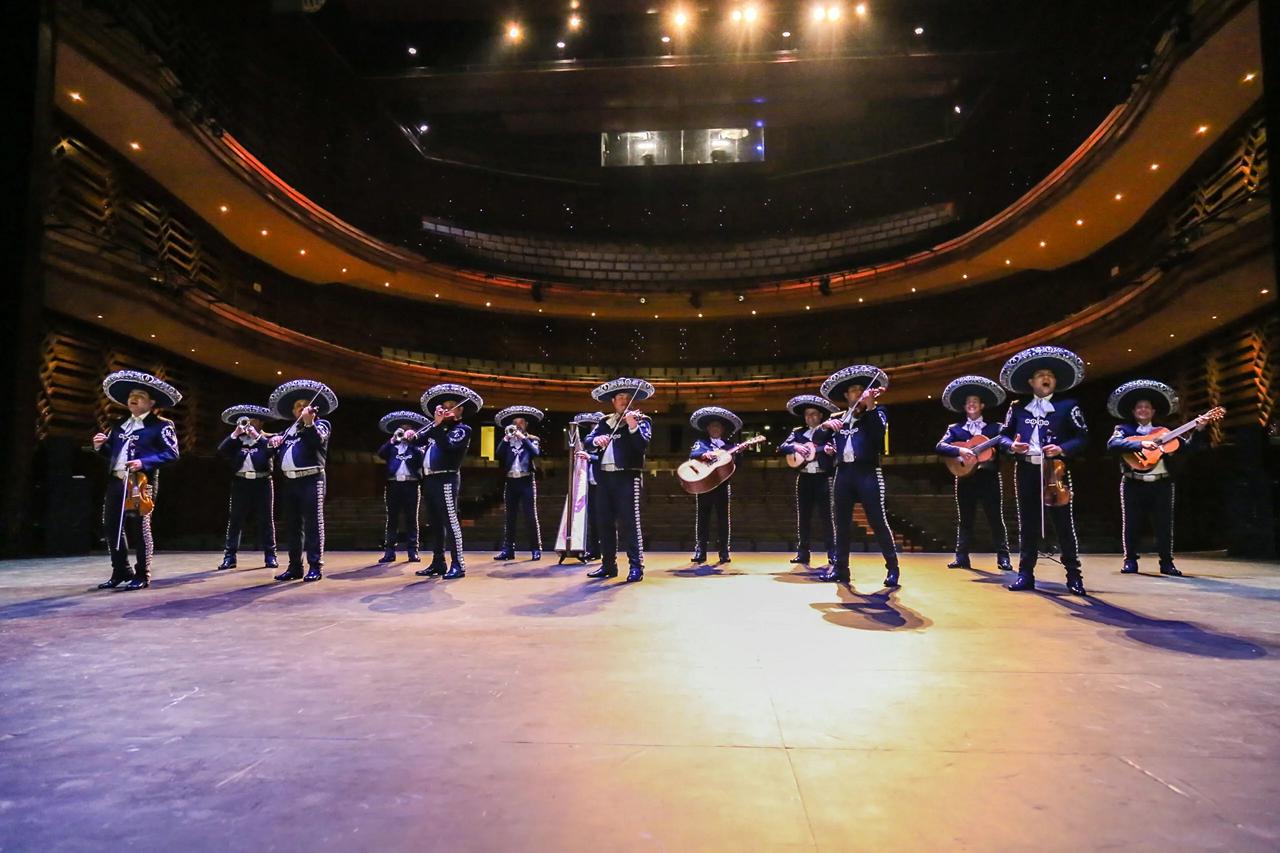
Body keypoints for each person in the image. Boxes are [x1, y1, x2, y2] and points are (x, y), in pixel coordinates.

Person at [997, 346, 1089, 595]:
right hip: (1026, 469)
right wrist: (1012, 446)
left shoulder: (1068, 405)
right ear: (1031, 381)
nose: (1045, 378)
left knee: (1063, 524)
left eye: (1050, 374)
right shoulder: (1017, 407)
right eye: (1040, 375)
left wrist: (1061, 448)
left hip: (1055, 469)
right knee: (1027, 524)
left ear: (1055, 381)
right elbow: (1002, 438)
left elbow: (1082, 438)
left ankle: (1074, 575)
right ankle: (1025, 574)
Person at [1106, 379, 1209, 577]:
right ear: (1134, 411)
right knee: (1132, 522)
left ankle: (1167, 563)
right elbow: (1113, 445)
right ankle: (1130, 561)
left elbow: (1188, 448)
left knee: (1164, 524)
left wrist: (1200, 429)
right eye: (1139, 407)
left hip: (1161, 483)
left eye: (1147, 407)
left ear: (1153, 411)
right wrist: (1142, 445)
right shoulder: (1124, 430)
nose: (1143, 410)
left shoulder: (1165, 432)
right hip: (1133, 482)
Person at [92, 371, 182, 590]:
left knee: (140, 527)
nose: (134, 398)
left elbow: (172, 453)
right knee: (112, 526)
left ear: (151, 403)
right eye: (132, 394)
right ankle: (120, 570)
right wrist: (100, 447)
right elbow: (113, 453)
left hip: (141, 482)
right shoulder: (119, 424)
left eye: (140, 395)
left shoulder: (161, 425)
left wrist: (144, 462)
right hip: (117, 481)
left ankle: (143, 573)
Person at [813, 364, 900, 587]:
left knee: (877, 520)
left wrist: (870, 407)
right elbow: (819, 440)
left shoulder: (877, 412)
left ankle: (892, 568)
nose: (858, 394)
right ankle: (841, 569)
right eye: (853, 391)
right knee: (841, 523)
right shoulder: (838, 417)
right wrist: (824, 426)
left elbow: (879, 437)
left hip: (867, 472)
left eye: (861, 390)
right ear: (846, 395)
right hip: (844, 473)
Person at [934, 376, 1013, 571]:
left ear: (982, 405)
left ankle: (1003, 558)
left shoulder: (996, 428)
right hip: (965, 479)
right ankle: (961, 557)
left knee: (995, 517)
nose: (971, 404)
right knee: (965, 519)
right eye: (968, 402)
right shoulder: (955, 429)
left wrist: (1007, 447)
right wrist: (960, 451)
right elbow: (940, 446)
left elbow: (1005, 444)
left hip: (989, 478)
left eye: (975, 402)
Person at [580, 378, 654, 582]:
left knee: (630, 523)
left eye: (627, 398)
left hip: (626, 477)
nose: (624, 401)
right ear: (613, 401)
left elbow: (641, 445)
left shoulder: (641, 420)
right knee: (604, 523)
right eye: (620, 397)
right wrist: (596, 440)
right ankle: (608, 565)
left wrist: (632, 426)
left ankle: (636, 566)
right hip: (604, 478)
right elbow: (588, 442)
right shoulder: (605, 422)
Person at [267, 379, 338, 583]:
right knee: (292, 525)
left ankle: (315, 566)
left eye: (304, 405)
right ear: (293, 412)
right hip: (290, 482)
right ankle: (295, 567)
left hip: (311, 479)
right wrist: (272, 443)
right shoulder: (287, 432)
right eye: (298, 406)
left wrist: (309, 423)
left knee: (313, 523)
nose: (301, 408)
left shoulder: (321, 425)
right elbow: (269, 451)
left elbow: (317, 441)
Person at [410, 383, 483, 579]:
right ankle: (438, 562)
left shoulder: (461, 429)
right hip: (430, 479)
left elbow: (449, 447)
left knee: (451, 522)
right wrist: (413, 434)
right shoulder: (438, 428)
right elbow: (417, 441)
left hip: (447, 478)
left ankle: (458, 564)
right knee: (434, 524)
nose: (446, 409)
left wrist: (437, 425)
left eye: (451, 405)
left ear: (460, 410)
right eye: (444, 406)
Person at [777, 394, 837, 569]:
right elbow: (782, 447)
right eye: (807, 414)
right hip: (804, 477)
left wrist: (822, 449)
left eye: (813, 414)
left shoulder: (828, 432)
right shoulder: (797, 433)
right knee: (804, 517)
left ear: (820, 416)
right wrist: (795, 446)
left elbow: (834, 448)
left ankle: (832, 552)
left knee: (827, 517)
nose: (810, 417)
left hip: (822, 477)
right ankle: (803, 552)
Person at [216, 404, 279, 571]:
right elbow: (221, 451)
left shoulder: (268, 438)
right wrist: (236, 433)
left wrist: (257, 437)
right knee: (235, 520)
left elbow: (272, 451)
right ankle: (229, 557)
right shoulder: (236, 441)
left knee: (266, 520)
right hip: (241, 483)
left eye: (252, 421)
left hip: (262, 483)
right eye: (245, 421)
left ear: (260, 423)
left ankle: (270, 556)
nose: (248, 424)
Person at [687, 406, 743, 565]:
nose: (715, 429)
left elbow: (737, 465)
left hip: (722, 485)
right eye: (712, 426)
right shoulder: (701, 442)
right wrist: (705, 455)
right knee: (702, 518)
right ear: (708, 428)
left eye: (718, 426)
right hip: (704, 485)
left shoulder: (730, 445)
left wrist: (739, 454)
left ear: (723, 429)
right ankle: (700, 550)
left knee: (723, 519)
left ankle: (724, 551)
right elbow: (693, 455)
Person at [376, 410, 430, 564]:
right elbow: (381, 453)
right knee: (392, 519)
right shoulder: (392, 447)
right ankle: (389, 552)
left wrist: (412, 440)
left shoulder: (417, 447)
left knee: (411, 519)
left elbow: (421, 459)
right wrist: (393, 440)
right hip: (393, 484)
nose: (404, 432)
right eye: (402, 429)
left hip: (411, 485)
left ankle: (413, 552)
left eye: (407, 429)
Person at [494, 405, 545, 561]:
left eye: (521, 422)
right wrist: (506, 438)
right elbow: (498, 454)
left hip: (526, 480)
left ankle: (536, 549)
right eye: (515, 423)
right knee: (510, 517)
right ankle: (508, 550)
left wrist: (523, 438)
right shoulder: (508, 441)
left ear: (526, 425)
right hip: (510, 481)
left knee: (530, 516)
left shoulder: (533, 440)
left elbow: (535, 453)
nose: (517, 426)